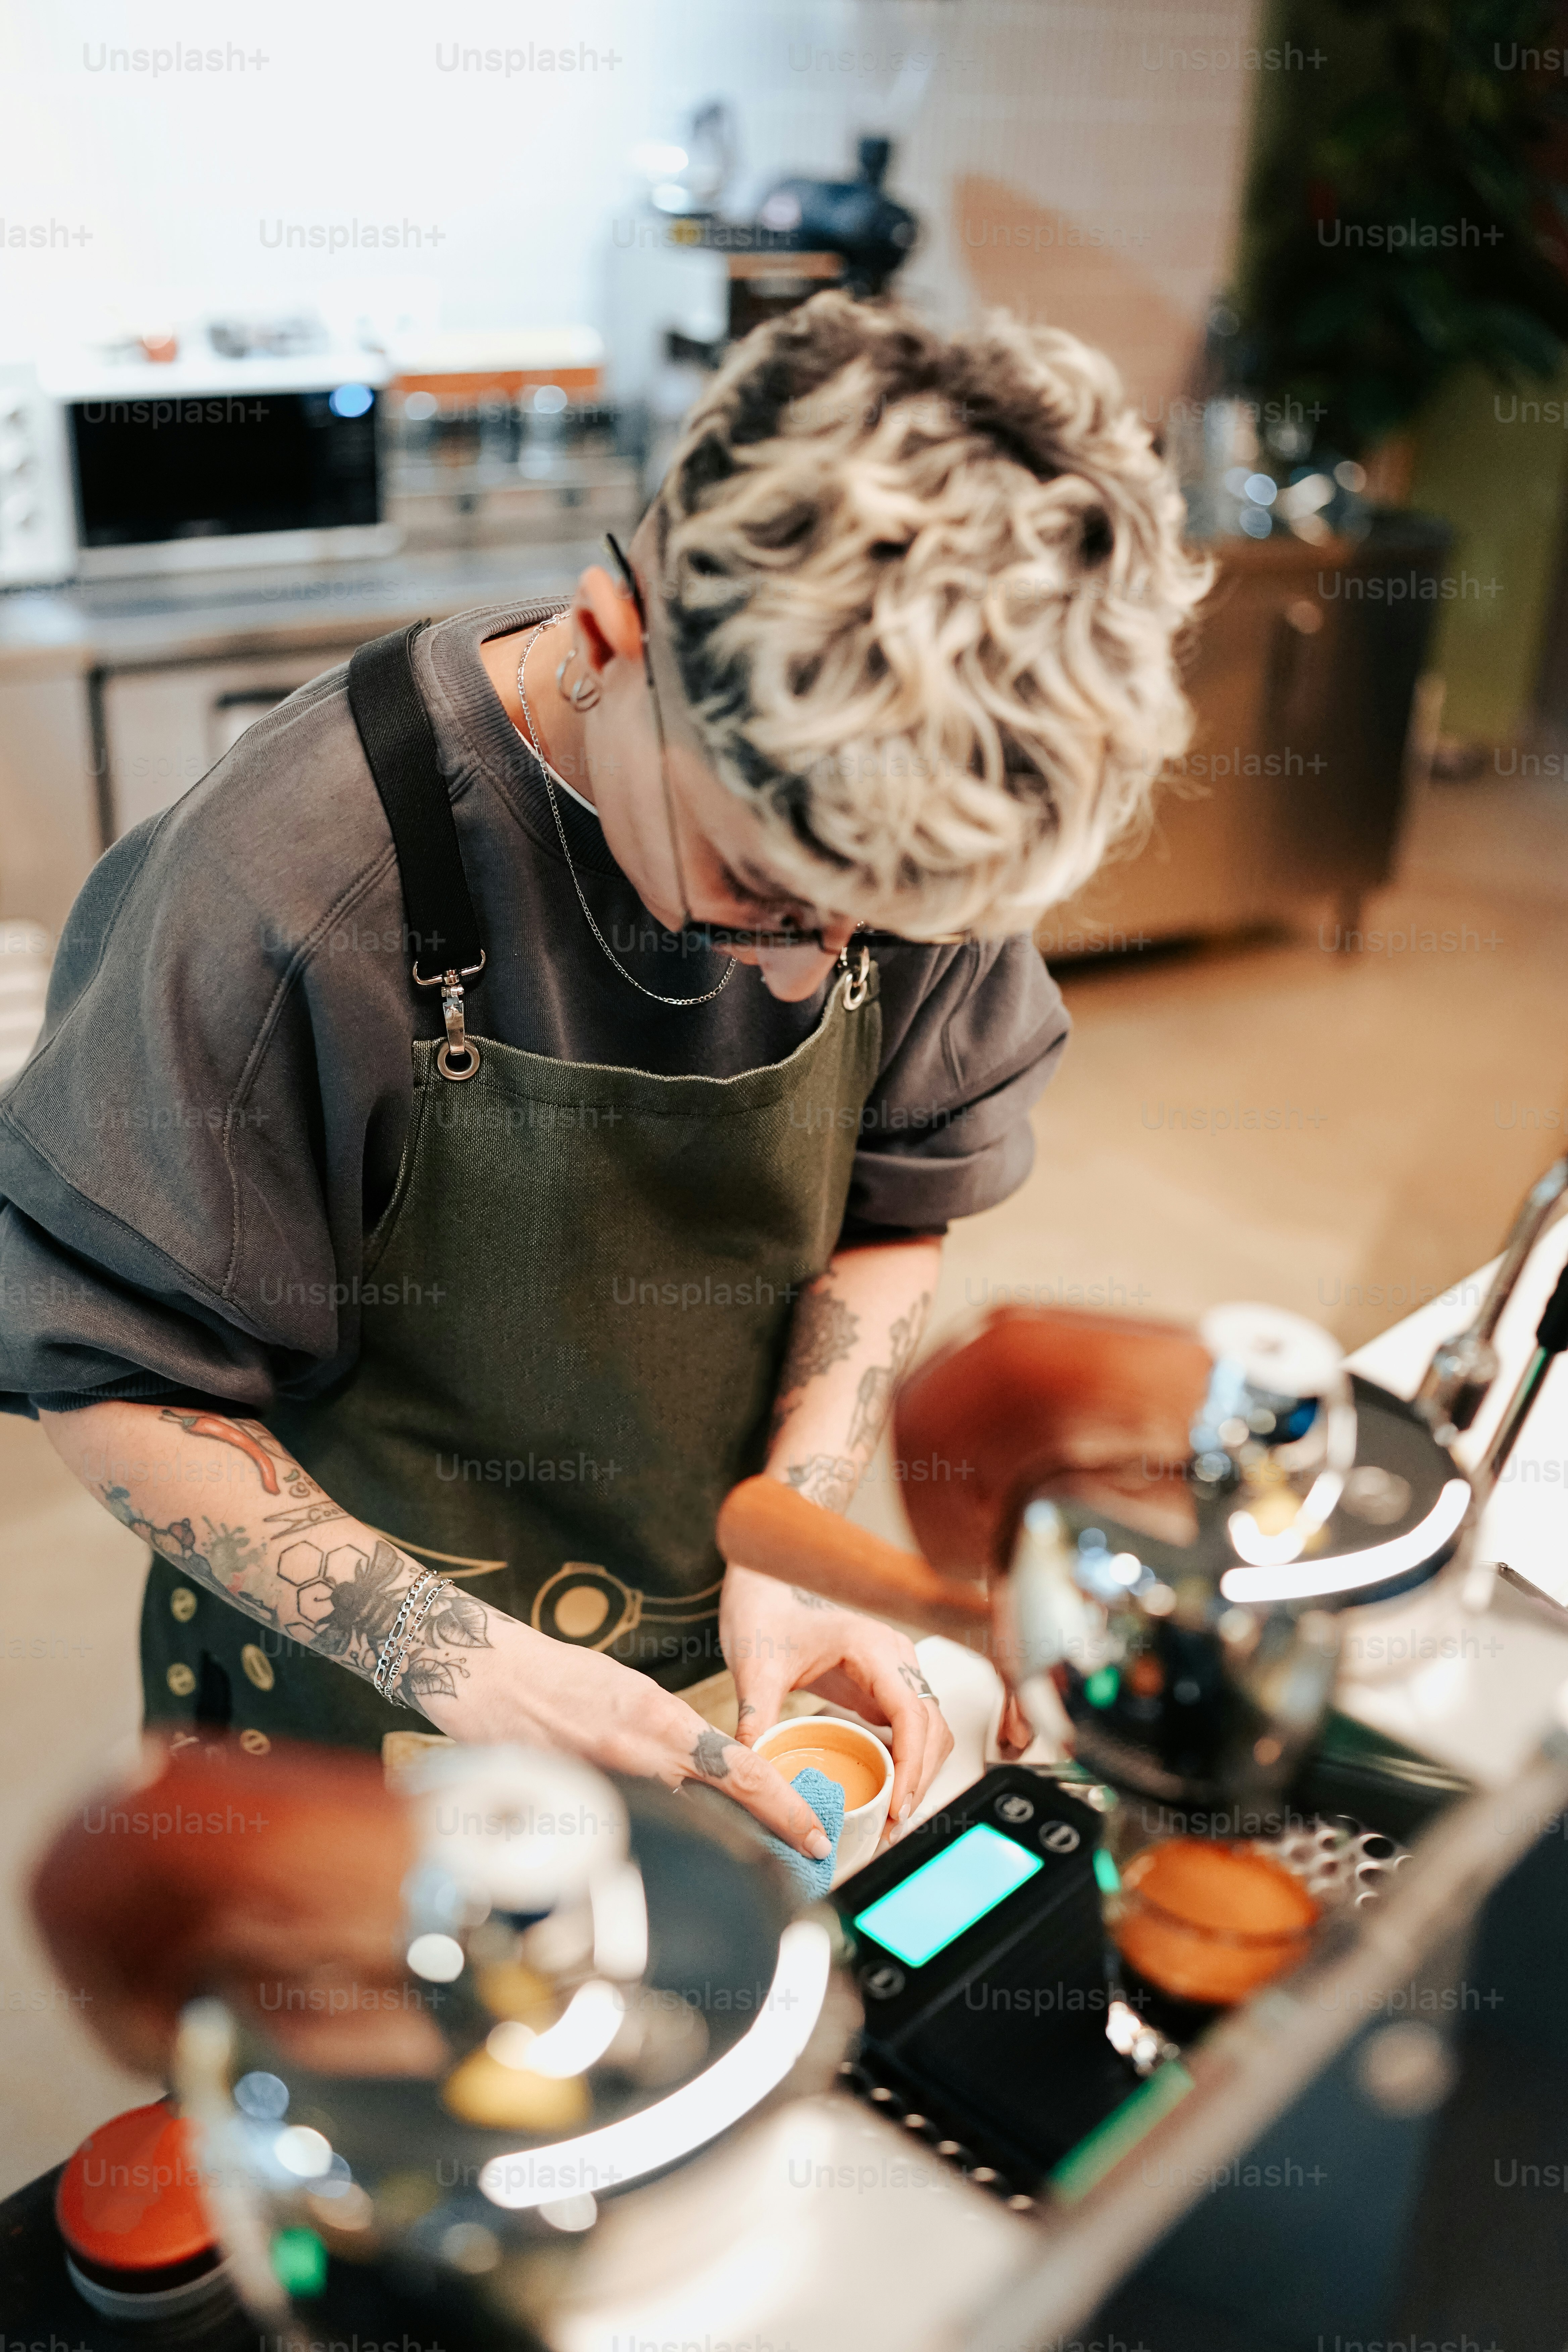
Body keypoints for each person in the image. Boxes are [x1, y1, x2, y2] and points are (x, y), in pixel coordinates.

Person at [0, 293, 1206, 1864]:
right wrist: (469, 1668)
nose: (804, 970)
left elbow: (897, 1195)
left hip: (708, 1643)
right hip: (361, 1718)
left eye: (875, 928)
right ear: (611, 639)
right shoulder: (289, 893)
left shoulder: (914, 829)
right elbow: (116, 1373)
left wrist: (800, 1530)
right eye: (761, 894)